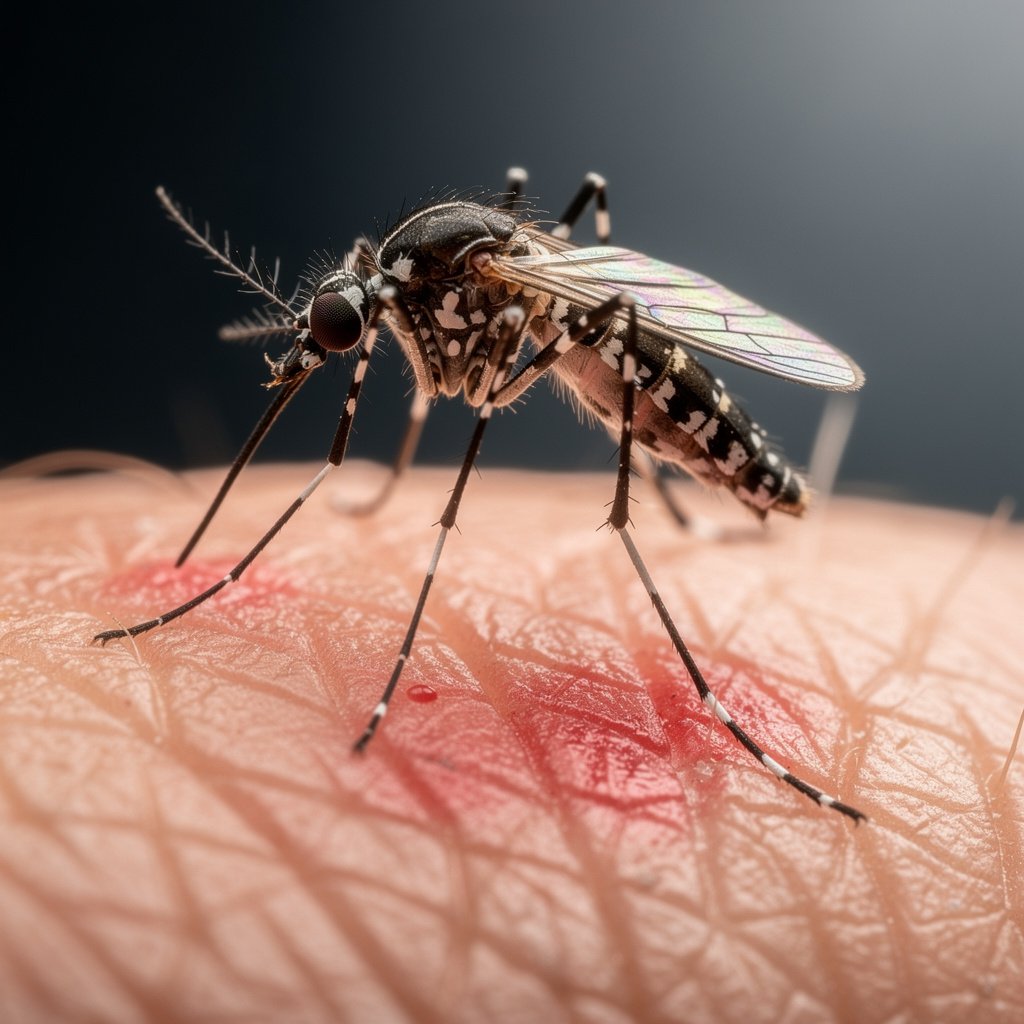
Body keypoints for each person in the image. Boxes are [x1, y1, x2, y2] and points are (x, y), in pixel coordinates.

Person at [2, 463, 1021, 1022]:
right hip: (585, 340)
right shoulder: (421, 297)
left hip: (619, 355)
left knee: (552, 370)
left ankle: (664, 569)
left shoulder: (470, 302)